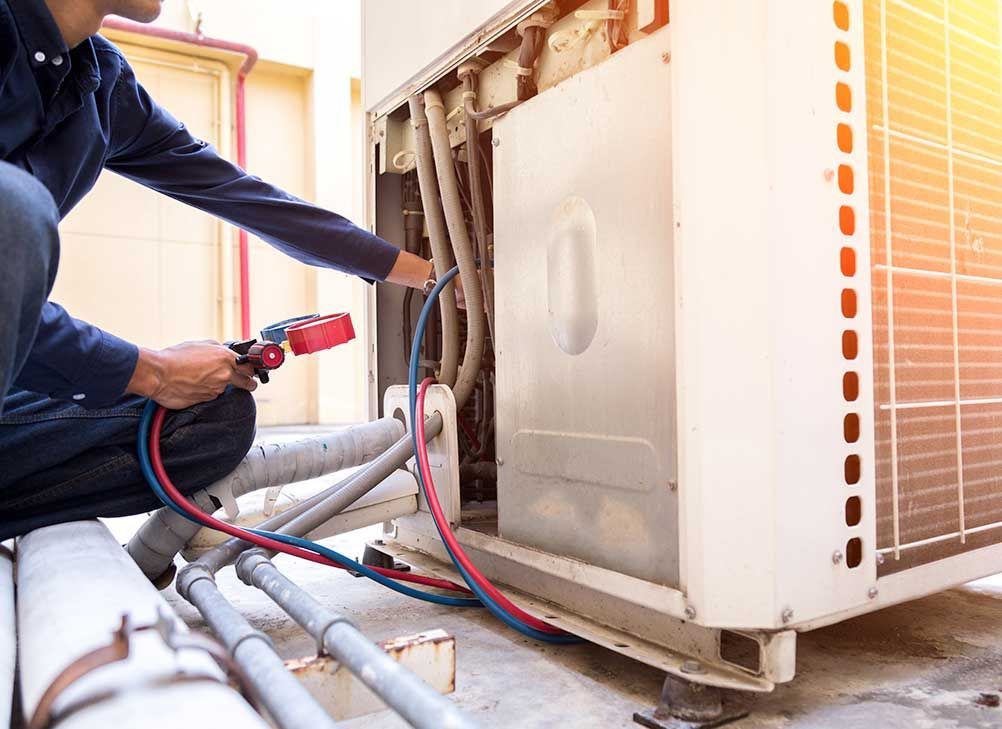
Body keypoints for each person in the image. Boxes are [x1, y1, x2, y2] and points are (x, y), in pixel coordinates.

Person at [0, 0, 438, 538]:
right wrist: (150, 370)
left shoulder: (101, 84)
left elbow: (244, 197)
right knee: (13, 207)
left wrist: (426, 272)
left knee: (214, 413)